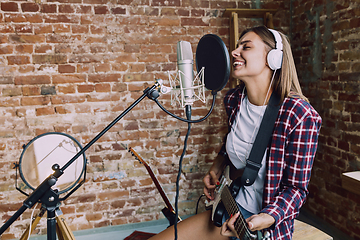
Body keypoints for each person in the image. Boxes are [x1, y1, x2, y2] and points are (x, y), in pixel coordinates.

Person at [149, 25, 322, 240]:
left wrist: (266, 217)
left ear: (274, 58)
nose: (234, 52)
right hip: (230, 206)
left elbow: (296, 189)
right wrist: (218, 165)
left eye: (246, 47)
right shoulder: (234, 100)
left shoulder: (299, 115)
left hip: (262, 227)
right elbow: (237, 143)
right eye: (237, 46)